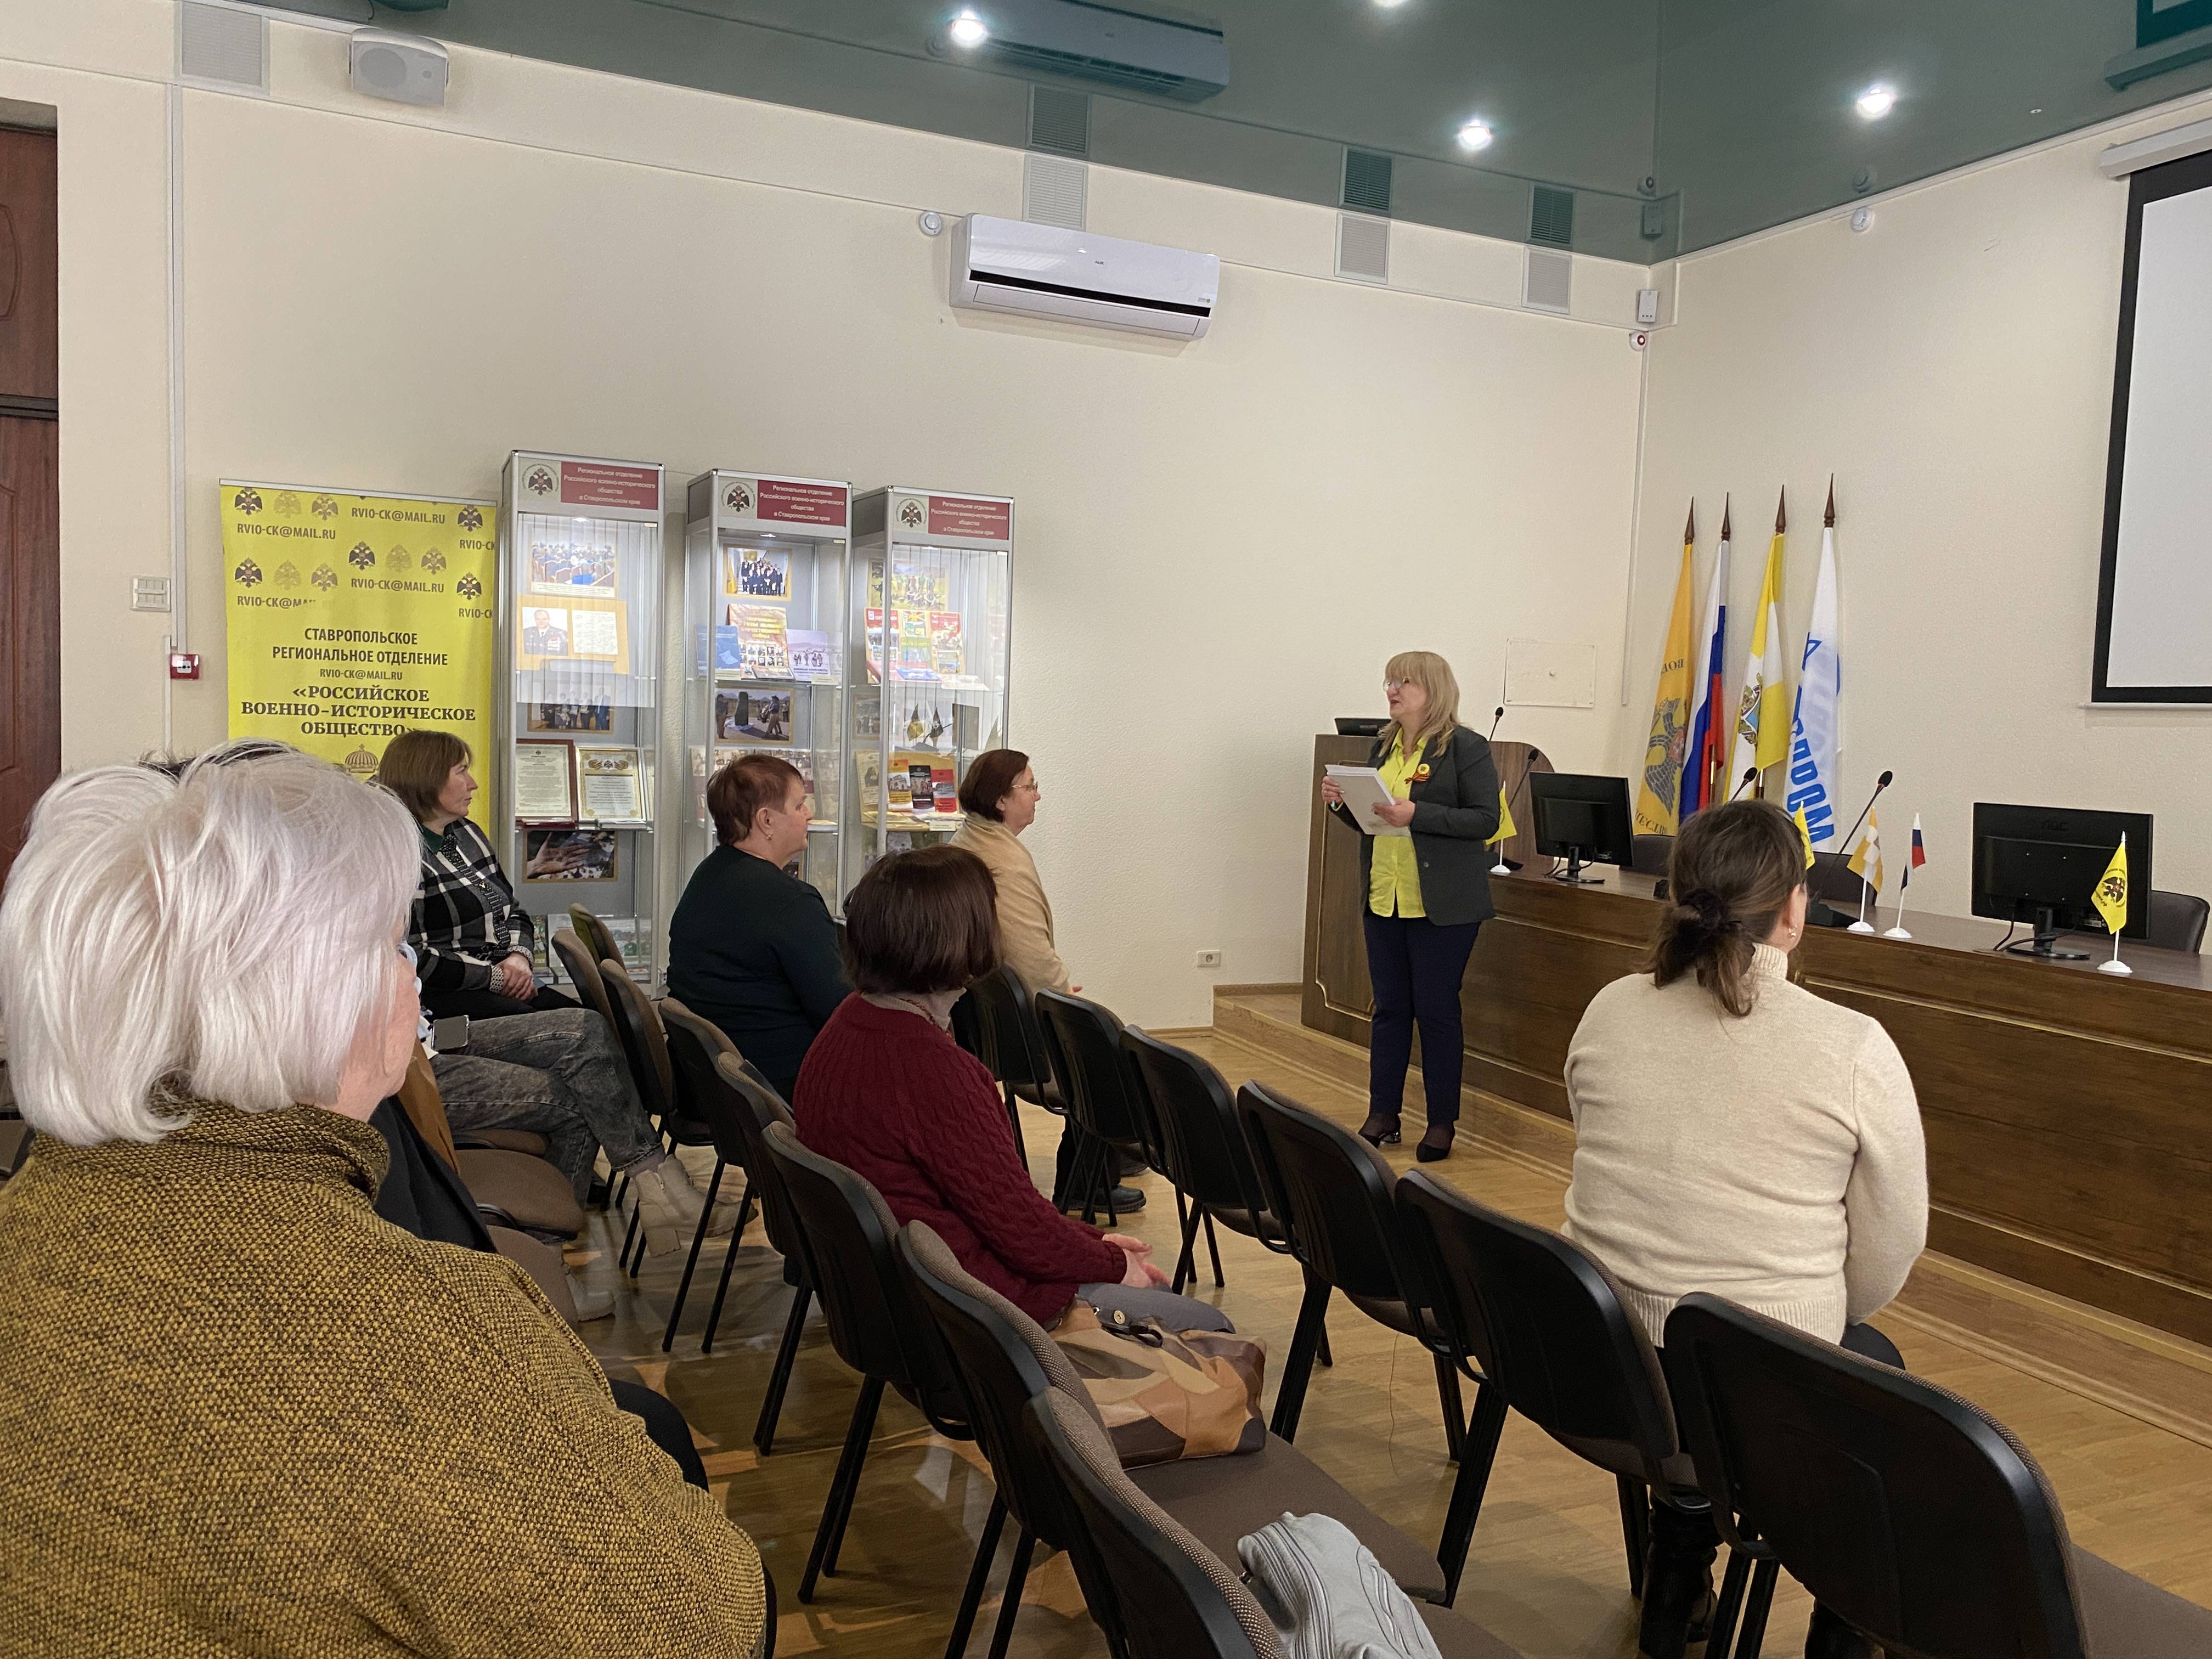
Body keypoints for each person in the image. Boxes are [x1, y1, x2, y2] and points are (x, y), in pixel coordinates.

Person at [0, 745, 768, 1656]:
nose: (409, 977)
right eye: (389, 945)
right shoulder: (422, 1327)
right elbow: (703, 1625)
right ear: (313, 998)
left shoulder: (36, 1222)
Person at [1560, 799, 1927, 1659]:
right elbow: (1893, 1242)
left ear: (1678, 896)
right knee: (1888, 1399)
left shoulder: (1610, 1007)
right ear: (1794, 909)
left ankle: (1678, 1571)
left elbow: (1601, 1142)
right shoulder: (1853, 1046)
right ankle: (1843, 1634)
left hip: (1603, 1361)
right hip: (1753, 1380)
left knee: (1710, 1361)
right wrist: (1823, 1309)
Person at [795, 845, 1228, 1333]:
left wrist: (1095, 1244)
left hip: (896, 1294)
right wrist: (1112, 1263)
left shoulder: (849, 1022)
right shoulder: (932, 1068)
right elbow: (1019, 1231)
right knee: (1208, 1325)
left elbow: (1003, 1210)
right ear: (962, 935)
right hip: (973, 1313)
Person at [1320, 650, 1499, 1161]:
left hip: (1443, 906)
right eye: (1389, 682)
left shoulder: (1466, 747)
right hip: (1385, 896)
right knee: (1390, 1009)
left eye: (1404, 682)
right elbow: (1376, 819)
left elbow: (1484, 820)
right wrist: (1342, 803)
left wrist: (1418, 814)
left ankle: (1442, 1122)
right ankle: (1384, 1113)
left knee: (1437, 1012)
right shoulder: (1384, 745)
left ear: (1433, 690)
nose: (1392, 691)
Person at [953, 748, 1145, 1216]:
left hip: (986, 1021)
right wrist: (1058, 1000)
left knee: (1100, 1036)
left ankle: (1108, 1159)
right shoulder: (1003, 863)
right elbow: (1029, 956)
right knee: (1105, 1046)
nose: (1038, 797)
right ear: (1002, 800)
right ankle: (1087, 1181)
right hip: (1017, 1038)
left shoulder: (969, 840)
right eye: (1030, 787)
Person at [668, 754, 845, 1104]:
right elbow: (838, 1013)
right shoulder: (790, 901)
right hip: (777, 1084)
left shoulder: (709, 873)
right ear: (767, 820)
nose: (809, 814)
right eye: (799, 805)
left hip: (713, 1080)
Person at [378, 727, 574, 1021]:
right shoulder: (397, 852)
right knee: (574, 1031)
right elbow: (408, 954)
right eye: (462, 772)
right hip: (443, 996)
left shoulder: (467, 832)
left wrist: (519, 958)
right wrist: (496, 977)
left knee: (591, 1019)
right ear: (427, 779)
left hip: (506, 977)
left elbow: (513, 911)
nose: (474, 784)